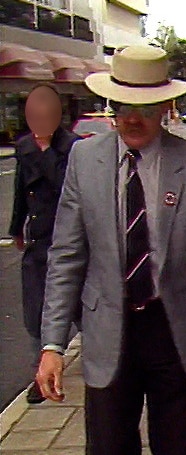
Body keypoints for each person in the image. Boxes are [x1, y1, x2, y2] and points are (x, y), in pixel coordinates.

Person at [35, 45, 186, 455]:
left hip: (174, 329)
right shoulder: (85, 159)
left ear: (166, 106)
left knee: (178, 445)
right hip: (108, 330)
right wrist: (52, 345)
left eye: (145, 108)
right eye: (123, 106)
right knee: (109, 445)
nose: (131, 118)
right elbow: (66, 257)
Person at [8, 83, 81, 404]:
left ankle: (104, 363)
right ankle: (41, 375)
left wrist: (48, 147)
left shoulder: (74, 148)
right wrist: (17, 228)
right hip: (39, 242)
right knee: (37, 309)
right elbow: (21, 193)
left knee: (81, 306)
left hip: (71, 239)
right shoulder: (24, 148)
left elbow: (65, 187)